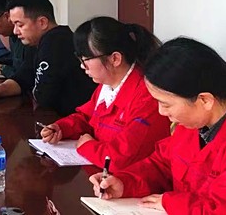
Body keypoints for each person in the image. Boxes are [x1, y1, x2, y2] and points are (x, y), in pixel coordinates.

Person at [89, 37, 226, 213]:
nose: (161, 112)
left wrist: (170, 203)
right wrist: (124, 183)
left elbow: (223, 210)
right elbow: (162, 164)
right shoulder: (193, 122)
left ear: (204, 100)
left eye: (166, 104)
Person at [39, 16, 170, 172]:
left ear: (115, 58)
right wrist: (62, 128)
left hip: (130, 179)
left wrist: (88, 146)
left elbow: (121, 158)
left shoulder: (147, 97)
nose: (82, 66)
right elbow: (86, 117)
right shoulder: (106, 85)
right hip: (102, 173)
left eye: (86, 59)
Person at [0, 0, 95, 116]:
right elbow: (22, 78)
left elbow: (43, 97)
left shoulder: (58, 43)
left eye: (20, 25)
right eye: (14, 25)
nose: (15, 31)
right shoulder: (37, 43)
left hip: (68, 119)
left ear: (42, 22)